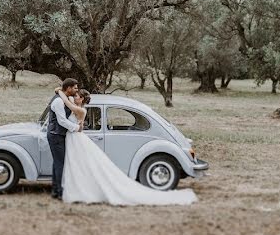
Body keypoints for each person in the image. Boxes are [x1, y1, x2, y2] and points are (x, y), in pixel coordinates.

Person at [55, 87, 197, 206]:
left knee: (85, 165)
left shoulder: (80, 110)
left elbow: (68, 103)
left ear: (82, 100)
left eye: (77, 96)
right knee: (79, 164)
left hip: (76, 137)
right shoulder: (79, 107)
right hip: (74, 137)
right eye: (75, 95)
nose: (75, 97)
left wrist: (61, 91)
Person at [46, 78, 81, 200]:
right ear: (69, 88)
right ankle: (60, 192)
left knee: (58, 162)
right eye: (75, 88)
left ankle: (55, 190)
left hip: (58, 134)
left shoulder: (64, 98)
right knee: (60, 163)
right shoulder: (58, 102)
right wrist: (76, 127)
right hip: (55, 134)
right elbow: (61, 121)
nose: (77, 90)